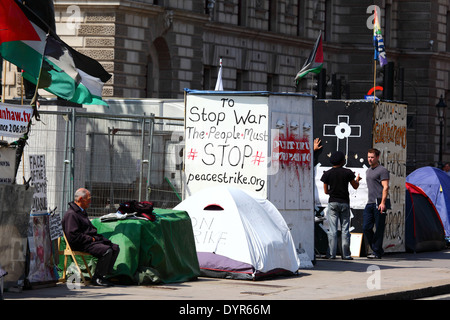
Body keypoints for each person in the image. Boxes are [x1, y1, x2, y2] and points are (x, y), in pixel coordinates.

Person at [62, 188, 120, 286]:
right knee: (106, 251)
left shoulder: (81, 212)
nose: (90, 202)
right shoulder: (71, 214)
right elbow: (73, 236)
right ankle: (97, 278)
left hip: (89, 241)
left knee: (114, 247)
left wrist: (95, 238)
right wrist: (91, 239)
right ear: (80, 199)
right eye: (88, 199)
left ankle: (103, 275)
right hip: (80, 243)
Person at [320, 151, 361, 260]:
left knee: (332, 229)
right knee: (345, 229)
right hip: (344, 203)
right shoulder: (347, 172)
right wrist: (357, 180)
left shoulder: (327, 174)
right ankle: (346, 255)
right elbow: (355, 186)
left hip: (333, 202)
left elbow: (325, 191)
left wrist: (333, 192)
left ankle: (331, 254)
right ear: (343, 161)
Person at [363, 148, 390, 259]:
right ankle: (377, 249)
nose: (370, 159)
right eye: (368, 157)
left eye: (372, 157)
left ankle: (377, 252)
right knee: (366, 227)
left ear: (377, 157)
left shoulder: (382, 170)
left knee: (379, 228)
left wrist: (383, 202)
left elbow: (386, 187)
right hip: (370, 202)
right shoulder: (368, 171)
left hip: (379, 202)